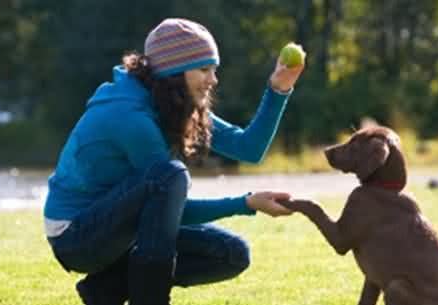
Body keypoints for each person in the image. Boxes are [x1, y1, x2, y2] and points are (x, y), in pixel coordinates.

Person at [43, 18, 304, 305]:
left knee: (231, 253)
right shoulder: (131, 117)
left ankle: (105, 289)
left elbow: (249, 148)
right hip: (76, 236)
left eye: (214, 70)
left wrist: (278, 89)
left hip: (118, 227)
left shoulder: (174, 102)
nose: (213, 80)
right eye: (204, 70)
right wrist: (246, 203)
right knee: (170, 176)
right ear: (174, 72)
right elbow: (172, 207)